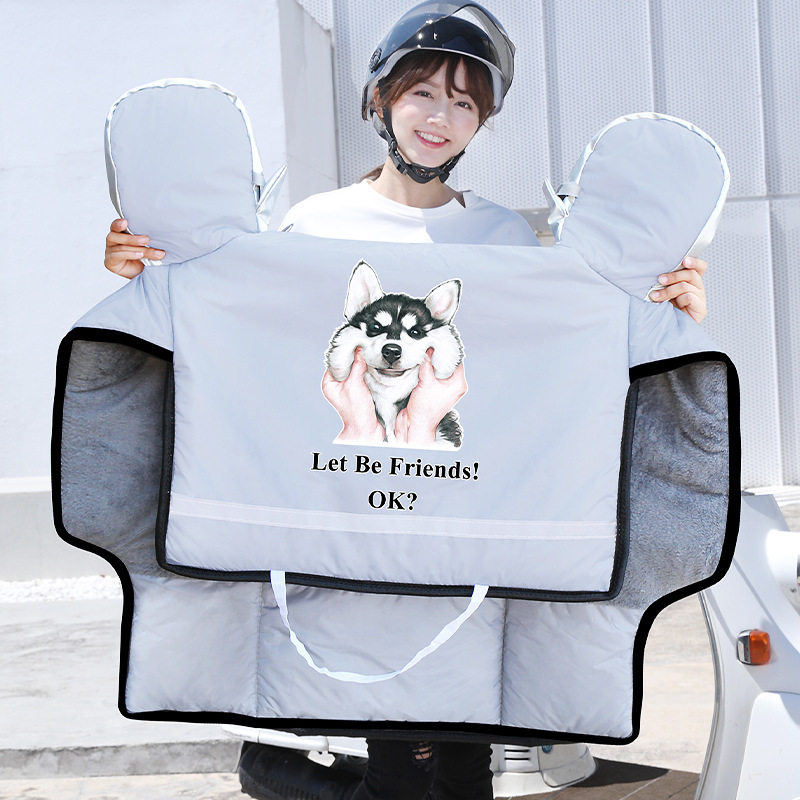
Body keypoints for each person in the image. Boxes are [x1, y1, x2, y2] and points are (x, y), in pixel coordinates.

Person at [102, 3, 708, 797]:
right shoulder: (314, 225)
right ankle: (284, 771)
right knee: (399, 760)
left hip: (463, 532)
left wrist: (666, 317)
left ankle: (289, 776)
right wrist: (153, 283)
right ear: (380, 98)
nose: (441, 117)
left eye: (464, 102)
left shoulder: (503, 238)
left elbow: (547, 376)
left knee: (463, 761)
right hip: (353, 533)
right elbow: (256, 358)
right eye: (424, 92)